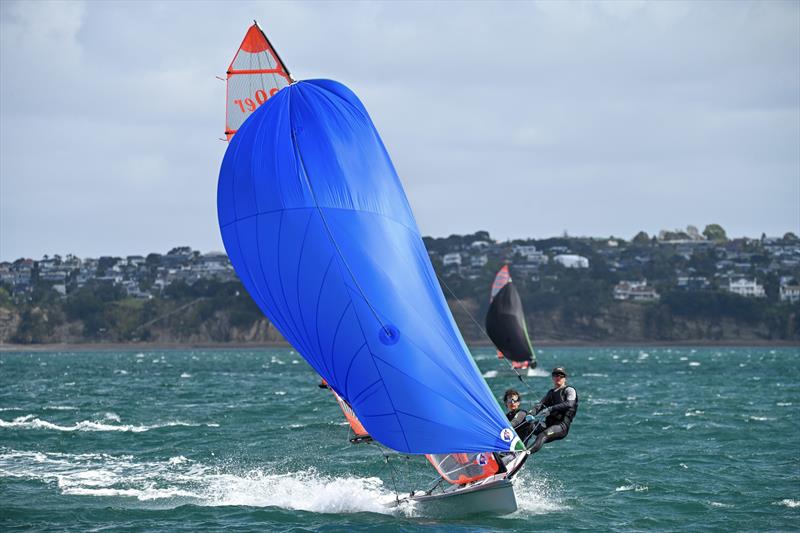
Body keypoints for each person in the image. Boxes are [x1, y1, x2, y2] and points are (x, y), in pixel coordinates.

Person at [527, 367, 578, 455]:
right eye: (555, 375)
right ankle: (516, 450)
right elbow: (539, 406)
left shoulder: (569, 390)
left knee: (542, 435)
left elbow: (570, 403)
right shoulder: (550, 393)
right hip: (548, 424)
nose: (558, 377)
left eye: (561, 375)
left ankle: (526, 453)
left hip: (561, 426)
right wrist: (530, 414)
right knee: (528, 426)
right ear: (552, 377)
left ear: (565, 378)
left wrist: (551, 408)